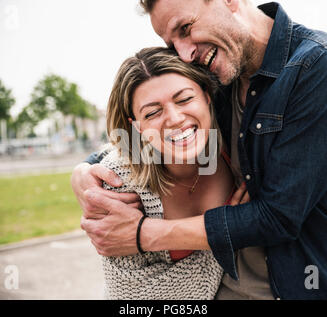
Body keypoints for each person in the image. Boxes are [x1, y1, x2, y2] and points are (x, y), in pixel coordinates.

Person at [72, 0, 327, 299]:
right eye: (171, 43)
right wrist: (84, 173)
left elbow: (278, 216)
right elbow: (137, 137)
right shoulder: (217, 71)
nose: (184, 53)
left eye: (185, 28)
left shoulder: (313, 67)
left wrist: (142, 234)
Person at [89, 46, 249, 299]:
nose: (174, 118)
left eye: (185, 99)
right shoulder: (119, 183)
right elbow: (130, 297)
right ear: (137, 126)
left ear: (206, 95)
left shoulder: (240, 150)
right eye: (152, 112)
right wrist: (228, 232)